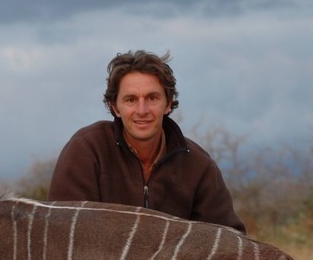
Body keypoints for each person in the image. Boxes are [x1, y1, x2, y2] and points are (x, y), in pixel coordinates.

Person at [48, 50, 246, 233]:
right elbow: (62, 235)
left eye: (152, 98)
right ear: (115, 107)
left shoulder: (198, 166)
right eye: (131, 100)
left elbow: (231, 241)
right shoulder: (86, 151)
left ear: (168, 103)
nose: (142, 110)